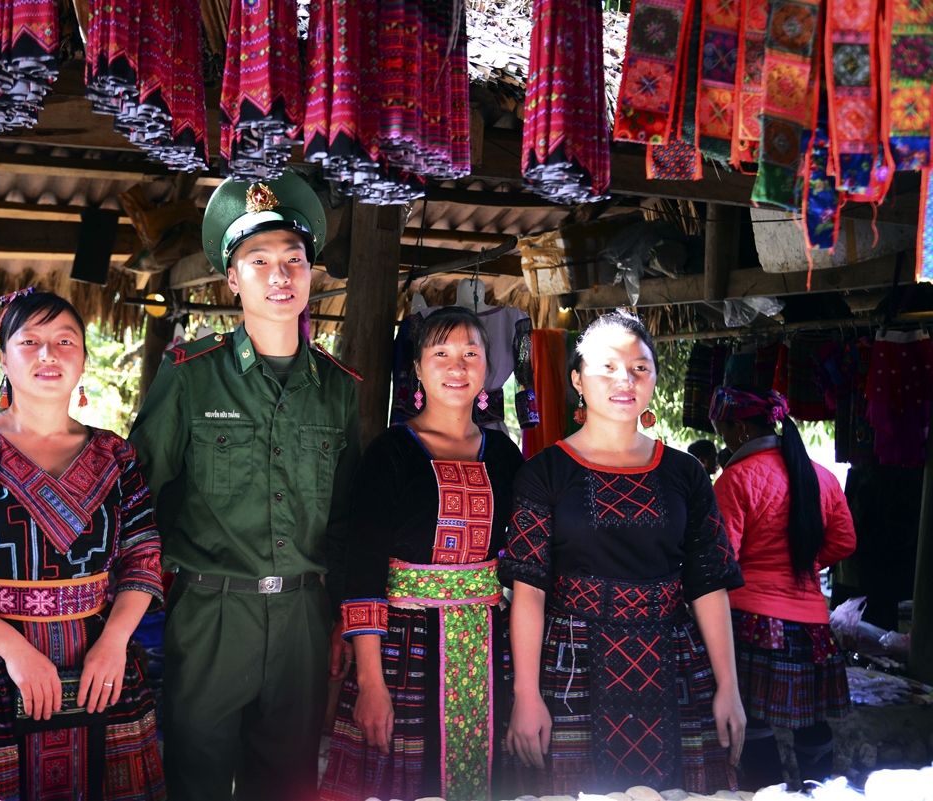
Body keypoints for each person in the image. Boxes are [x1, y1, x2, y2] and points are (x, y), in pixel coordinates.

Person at [129, 172, 361, 801]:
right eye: (259, 261)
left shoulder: (340, 390)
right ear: (232, 279)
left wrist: (341, 615)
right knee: (197, 780)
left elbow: (346, 518)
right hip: (211, 611)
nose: (279, 275)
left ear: (310, 273)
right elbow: (138, 497)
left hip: (303, 619)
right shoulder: (190, 376)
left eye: (293, 259)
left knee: (287, 784)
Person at [0, 289, 165, 801]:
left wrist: (114, 643)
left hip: (100, 669)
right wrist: (15, 652)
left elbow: (143, 560)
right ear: (4, 358)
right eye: (30, 342)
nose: (49, 354)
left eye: (65, 341)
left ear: (83, 359)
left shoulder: (116, 456)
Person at [502, 310, 745, 795]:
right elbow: (529, 592)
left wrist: (728, 687)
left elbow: (708, 585)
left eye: (639, 368)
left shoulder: (686, 473)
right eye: (608, 367)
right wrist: (526, 695)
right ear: (577, 379)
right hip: (570, 666)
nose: (625, 380)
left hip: (673, 661)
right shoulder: (544, 472)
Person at [321, 307, 527, 801]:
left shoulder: (505, 455)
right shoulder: (391, 452)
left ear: (487, 367)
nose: (457, 367)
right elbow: (363, 570)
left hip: (487, 649)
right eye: (441, 354)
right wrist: (371, 681)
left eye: (470, 354)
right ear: (416, 367)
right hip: (402, 650)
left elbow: (524, 559)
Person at [709, 385, 856, 789]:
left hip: (752, 619)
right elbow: (844, 542)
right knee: (812, 719)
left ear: (740, 429)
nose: (724, 439)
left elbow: (724, 556)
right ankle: (818, 792)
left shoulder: (736, 478)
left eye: (723, 431)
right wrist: (803, 566)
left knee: (753, 715)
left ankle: (767, 794)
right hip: (812, 624)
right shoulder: (822, 476)